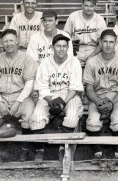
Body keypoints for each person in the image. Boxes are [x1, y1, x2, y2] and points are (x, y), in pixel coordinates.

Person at [30, 34, 83, 162]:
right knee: (36, 118)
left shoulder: (74, 62)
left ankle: (63, 148)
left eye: (64, 46)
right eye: (58, 46)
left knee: (71, 118)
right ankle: (39, 151)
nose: (61, 49)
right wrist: (51, 101)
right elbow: (41, 86)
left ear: (68, 47)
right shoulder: (45, 63)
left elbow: (75, 88)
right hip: (49, 94)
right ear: (52, 48)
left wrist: (63, 103)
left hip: (69, 95)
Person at [84, 29, 118, 167]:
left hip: (117, 97)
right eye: (105, 42)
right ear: (100, 43)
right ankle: (98, 155)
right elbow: (89, 88)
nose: (108, 45)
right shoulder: (92, 62)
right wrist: (97, 101)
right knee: (92, 121)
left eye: (111, 42)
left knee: (117, 119)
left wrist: (112, 103)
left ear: (115, 43)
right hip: (97, 96)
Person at [0, 29, 38, 161]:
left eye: (11, 40)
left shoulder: (27, 58)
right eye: (5, 41)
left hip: (22, 96)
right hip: (2, 96)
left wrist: (18, 102)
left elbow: (29, 83)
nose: (9, 43)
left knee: (28, 116)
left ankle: (25, 150)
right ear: (2, 43)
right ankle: (2, 151)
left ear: (17, 41)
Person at [64, 0, 107, 67]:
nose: (89, 8)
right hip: (77, 49)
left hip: (94, 50)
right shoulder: (73, 17)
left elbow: (102, 43)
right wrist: (70, 49)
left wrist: (91, 57)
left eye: (91, 6)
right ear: (82, 6)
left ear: (95, 7)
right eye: (86, 5)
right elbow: (65, 35)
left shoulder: (100, 19)